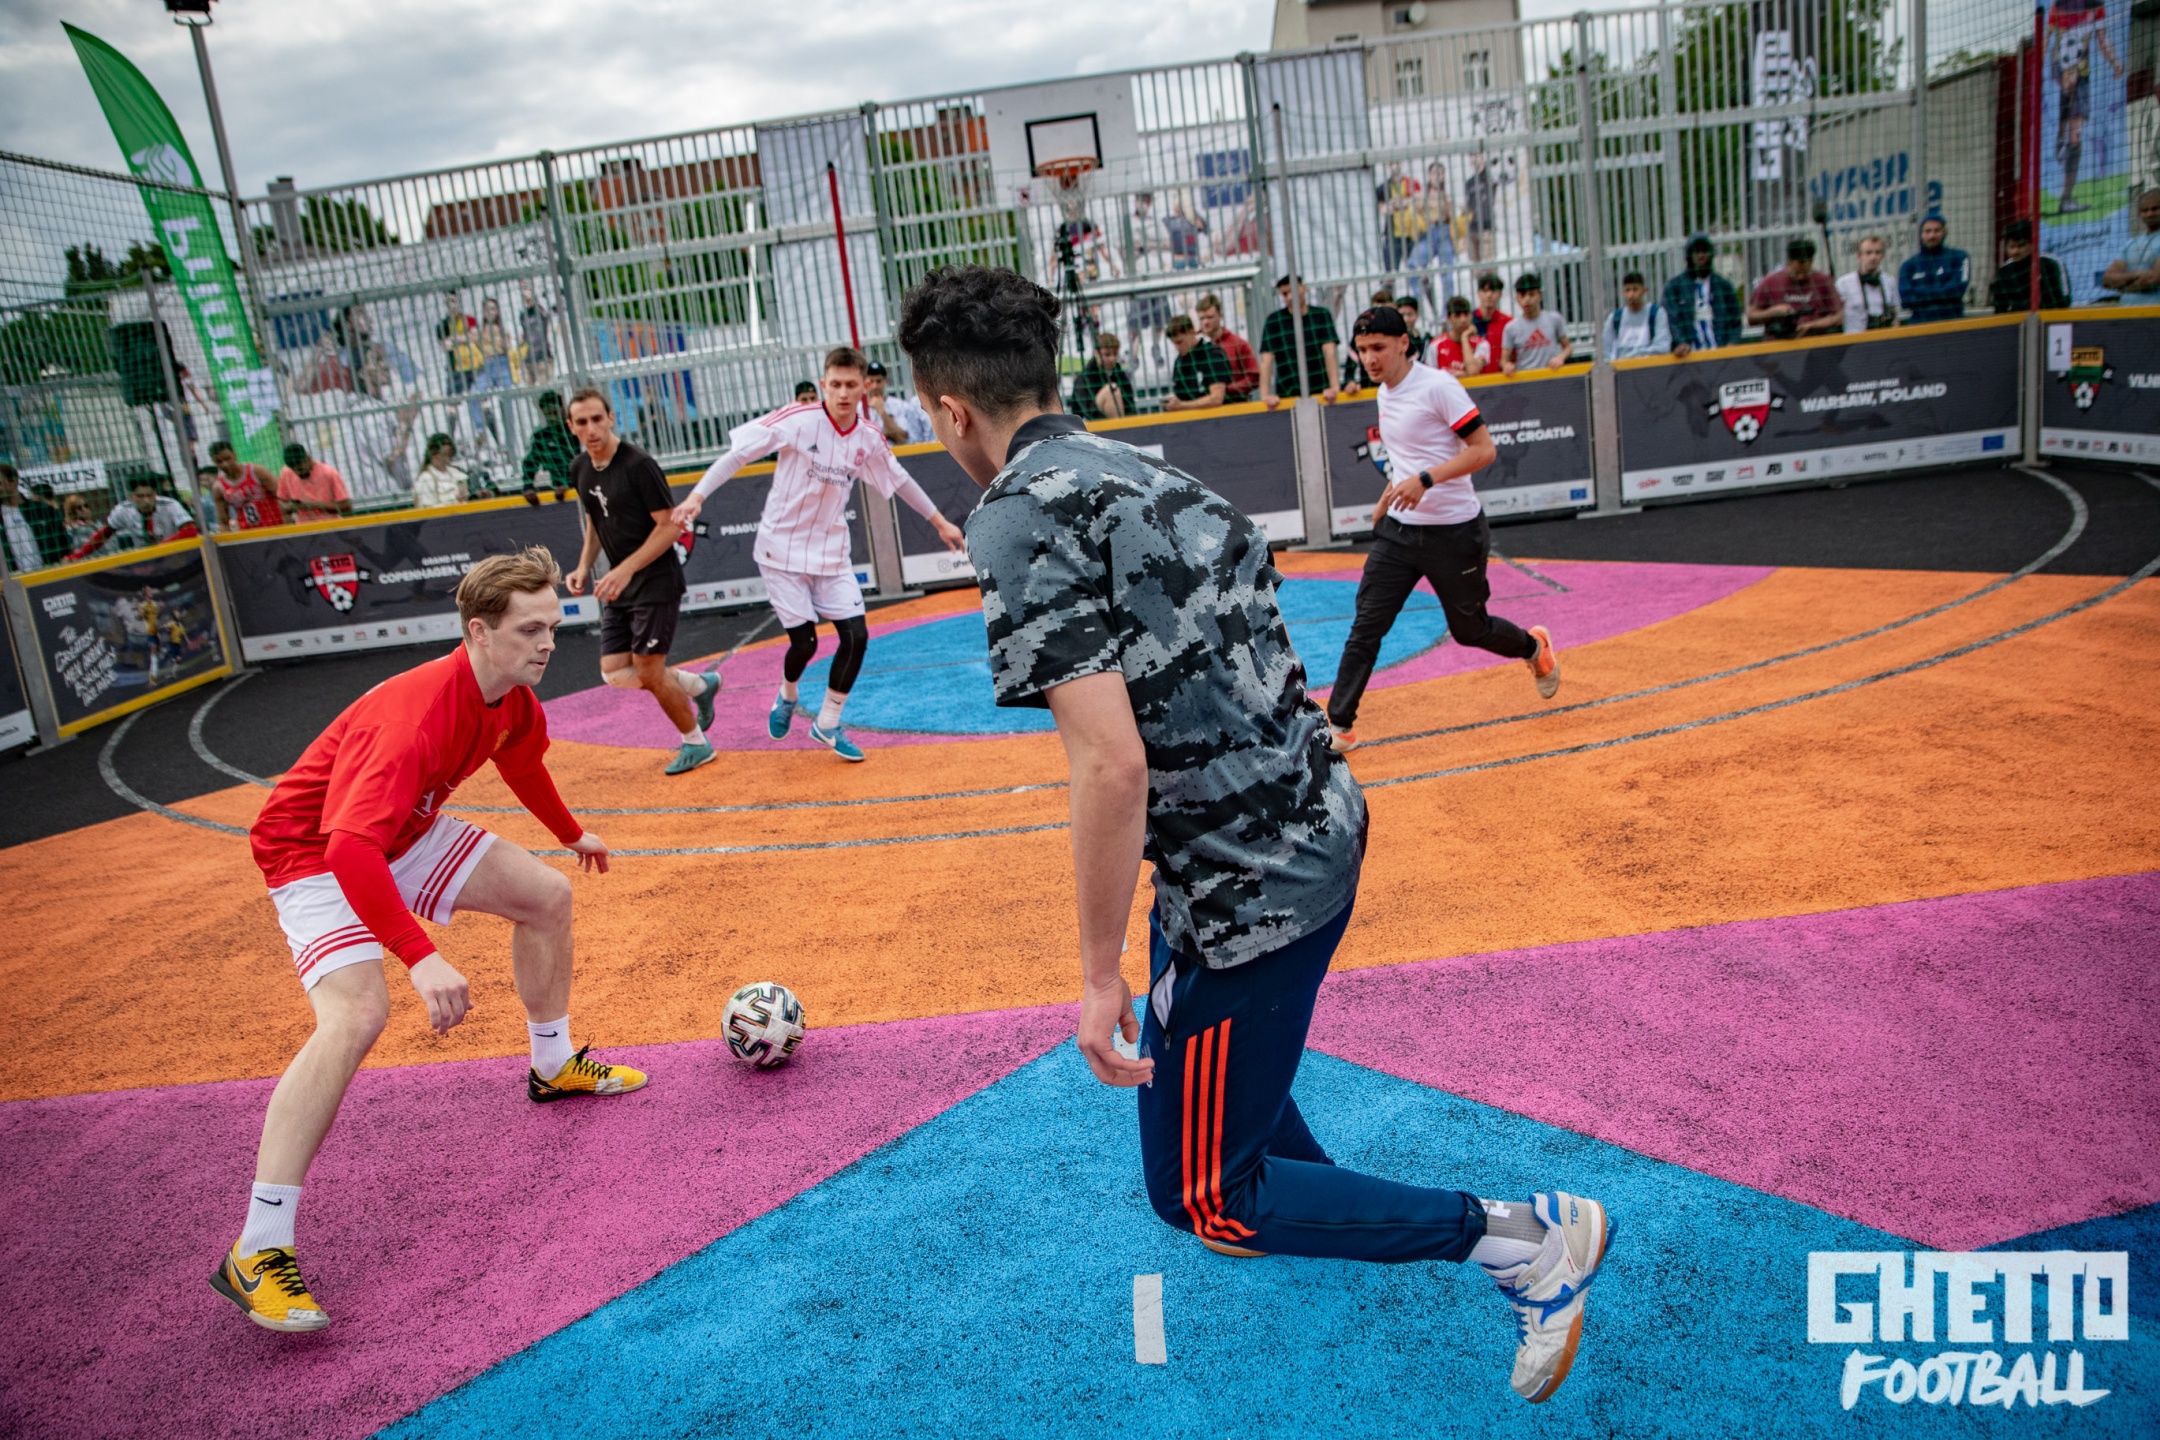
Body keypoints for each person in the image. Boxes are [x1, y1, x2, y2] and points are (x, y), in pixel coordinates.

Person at [896, 264, 1613, 1407]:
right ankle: (1305, 1200)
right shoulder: (1151, 470)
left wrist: (1096, 972)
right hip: (1305, 822)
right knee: (1215, 1121)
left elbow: (1109, 762)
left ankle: (1522, 1241)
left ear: (949, 410)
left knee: (1203, 1196)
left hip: (1250, 884)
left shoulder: (1018, 511)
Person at [215, 548, 641, 1334]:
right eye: (529, 630)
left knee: (547, 895)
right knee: (355, 1016)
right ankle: (258, 1247)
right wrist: (422, 957)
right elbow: (349, 849)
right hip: (315, 849)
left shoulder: (512, 698)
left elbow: (524, 767)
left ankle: (553, 1066)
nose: (548, 644)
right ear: (479, 631)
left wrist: (571, 832)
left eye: (553, 627)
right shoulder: (413, 718)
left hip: (400, 831)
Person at [670, 347, 966, 763]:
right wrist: (697, 496)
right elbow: (738, 455)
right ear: (824, 384)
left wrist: (940, 522)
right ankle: (787, 695)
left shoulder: (867, 437)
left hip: (831, 554)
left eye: (851, 385)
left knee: (856, 636)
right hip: (780, 552)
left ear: (864, 387)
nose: (843, 393)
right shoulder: (797, 420)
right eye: (836, 384)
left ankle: (827, 721)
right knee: (805, 643)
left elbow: (899, 480)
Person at [1327, 304, 1560, 751]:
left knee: (1471, 630)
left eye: (1378, 348)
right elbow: (1409, 457)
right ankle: (1339, 727)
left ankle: (1533, 648)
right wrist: (1389, 495)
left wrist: (1426, 480)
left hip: (1454, 533)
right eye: (1362, 349)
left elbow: (1484, 450)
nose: (1370, 358)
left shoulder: (1438, 387)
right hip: (1399, 533)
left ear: (1403, 343)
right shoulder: (1384, 393)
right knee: (1366, 626)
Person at [562, 388, 721, 776]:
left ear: (611, 418)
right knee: (615, 672)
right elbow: (596, 520)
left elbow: (669, 527)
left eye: (597, 419)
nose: (591, 428)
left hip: (655, 581)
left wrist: (625, 569)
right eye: (582, 422)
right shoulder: (580, 468)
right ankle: (698, 686)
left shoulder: (638, 465)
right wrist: (584, 566)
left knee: (649, 670)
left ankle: (696, 743)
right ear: (571, 427)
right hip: (623, 583)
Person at [2048, 0, 2123, 215]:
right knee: (2070, 82)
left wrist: (2115, 62)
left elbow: (2102, 38)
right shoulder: (2060, 7)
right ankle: (2061, 137)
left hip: (2082, 72)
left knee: (2076, 134)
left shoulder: (2096, 7)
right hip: (2064, 65)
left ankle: (2066, 198)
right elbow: (2047, 39)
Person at [1258, 274, 1342, 408]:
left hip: (1321, 392)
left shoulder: (1321, 315)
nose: (1290, 297)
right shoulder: (1274, 321)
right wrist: (1265, 396)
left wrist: (1334, 387)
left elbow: (1330, 352)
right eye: (1285, 294)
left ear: (1303, 288)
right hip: (1287, 396)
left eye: (1293, 291)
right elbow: (1266, 361)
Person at [65, 478, 200, 560]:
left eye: (149, 496)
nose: (146, 501)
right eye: (140, 496)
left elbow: (190, 531)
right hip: (144, 561)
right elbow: (104, 534)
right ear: (132, 496)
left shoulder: (170, 505)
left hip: (173, 557)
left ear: (155, 494)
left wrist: (160, 547)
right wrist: (78, 555)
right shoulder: (123, 510)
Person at [1660, 235, 1743, 356]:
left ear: (1711, 254)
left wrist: (1732, 343)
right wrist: (1680, 343)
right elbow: (1670, 321)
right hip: (1688, 357)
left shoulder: (1723, 286)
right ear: (1689, 256)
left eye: (1704, 251)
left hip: (1721, 354)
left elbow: (1736, 321)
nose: (1701, 256)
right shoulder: (1674, 287)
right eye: (1696, 252)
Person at [1748, 238, 1842, 340]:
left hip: (1814, 341)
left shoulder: (1823, 281)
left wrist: (1811, 325)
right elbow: (1751, 317)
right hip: (1777, 342)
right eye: (1797, 273)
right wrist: (1772, 312)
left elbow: (1838, 316)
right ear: (1788, 263)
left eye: (1805, 272)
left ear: (1811, 262)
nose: (1801, 277)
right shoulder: (1770, 282)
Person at [1897, 217, 1971, 324]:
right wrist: (1942, 291)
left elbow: (1956, 291)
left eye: (1937, 230)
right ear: (1921, 234)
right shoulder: (1908, 266)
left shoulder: (1959, 257)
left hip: (1953, 324)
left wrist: (1919, 291)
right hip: (1919, 327)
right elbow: (1906, 299)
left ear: (1944, 232)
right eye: (1928, 231)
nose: (1932, 235)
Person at [1989, 218, 2072, 312]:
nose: (2015, 251)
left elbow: (2065, 299)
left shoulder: (2051, 263)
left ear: (2032, 243)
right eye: (2011, 246)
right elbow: (1999, 309)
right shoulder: (2004, 272)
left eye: (2021, 245)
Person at [0, 462, 68, 573]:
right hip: (15, 578)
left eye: (0, 484)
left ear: (14, 482)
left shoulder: (42, 510)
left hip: (50, 572)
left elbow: (63, 541)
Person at [1500, 274, 1572, 374]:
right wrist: (1506, 366)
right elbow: (1504, 360)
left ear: (1539, 295)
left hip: (1551, 374)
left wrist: (1560, 357)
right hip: (1525, 378)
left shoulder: (1554, 319)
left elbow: (1568, 347)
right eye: (1522, 295)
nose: (1527, 299)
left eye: (1531, 294)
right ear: (1517, 298)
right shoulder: (1511, 328)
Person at [1195, 294, 1258, 400]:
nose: (1205, 322)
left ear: (1220, 316)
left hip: (1235, 404)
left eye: (1210, 317)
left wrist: (1226, 389)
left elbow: (1254, 377)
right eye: (1202, 318)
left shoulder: (1238, 344)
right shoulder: (1194, 346)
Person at [518, 391, 580, 501]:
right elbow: (530, 463)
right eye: (548, 414)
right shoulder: (542, 438)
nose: (551, 418)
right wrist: (528, 486)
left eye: (554, 413)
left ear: (562, 410)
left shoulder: (576, 432)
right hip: (560, 492)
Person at [1162, 314, 1231, 410]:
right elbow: (1180, 396)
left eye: (1180, 342)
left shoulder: (1213, 355)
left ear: (1192, 332)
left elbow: (1216, 398)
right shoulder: (1179, 361)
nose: (1177, 348)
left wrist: (1182, 405)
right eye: (1174, 343)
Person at [1599, 273, 1672, 359]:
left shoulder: (1656, 314)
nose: (1631, 295)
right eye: (1627, 290)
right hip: (1621, 366)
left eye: (1635, 289)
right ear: (1623, 292)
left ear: (1644, 290)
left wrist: (1633, 356)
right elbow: (1605, 350)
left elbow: (1662, 346)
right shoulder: (1615, 318)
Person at [2102, 187, 2160, 294]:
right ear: (2139, 213)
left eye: (2155, 209)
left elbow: (2154, 279)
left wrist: (2123, 287)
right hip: (2127, 304)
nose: (2149, 214)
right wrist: (2136, 274)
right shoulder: (2131, 244)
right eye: (2145, 210)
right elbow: (2107, 280)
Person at [1836, 236, 1901, 332]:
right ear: (1859, 257)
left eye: (1877, 252)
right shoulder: (1844, 283)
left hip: (1885, 335)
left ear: (1882, 256)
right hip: (1855, 337)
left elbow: (1896, 312)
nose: (1873, 257)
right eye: (1868, 253)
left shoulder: (1889, 281)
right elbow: (1837, 316)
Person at [277, 443, 353, 524]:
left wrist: (314, 505)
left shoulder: (329, 473)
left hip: (330, 525)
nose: (297, 473)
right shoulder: (286, 472)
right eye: (293, 469)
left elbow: (346, 506)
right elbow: (281, 501)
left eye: (300, 469)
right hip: (303, 527)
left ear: (308, 459)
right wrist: (290, 507)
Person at [1070, 332, 1135, 421]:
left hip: (1118, 420)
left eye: (1115, 354)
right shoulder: (1084, 378)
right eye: (1107, 354)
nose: (1112, 359)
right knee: (1111, 390)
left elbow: (1130, 405)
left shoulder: (1119, 373)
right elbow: (1088, 410)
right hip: (1088, 424)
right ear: (1096, 353)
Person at [1428, 295, 1492, 376]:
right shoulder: (1435, 345)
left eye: (1466, 314)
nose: (1463, 320)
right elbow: (1430, 377)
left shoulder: (1482, 344)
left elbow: (1472, 371)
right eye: (1457, 315)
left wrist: (1464, 338)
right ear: (1448, 318)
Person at [412, 433, 468, 509]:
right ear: (435, 455)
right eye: (446, 454)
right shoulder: (425, 479)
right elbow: (427, 509)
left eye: (450, 454)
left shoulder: (457, 473)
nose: (450, 457)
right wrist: (455, 503)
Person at [516, 278, 554, 386]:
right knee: (530, 392)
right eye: (522, 289)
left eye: (526, 288)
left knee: (547, 389)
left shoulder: (541, 309)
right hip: (527, 360)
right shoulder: (522, 314)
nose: (524, 292)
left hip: (543, 358)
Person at [1462, 151, 1496, 264]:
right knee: (1474, 265)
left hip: (1486, 226)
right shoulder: (1469, 183)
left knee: (1488, 263)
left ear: (1482, 156)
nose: (1474, 159)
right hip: (1472, 227)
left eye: (1476, 155)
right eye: (1471, 156)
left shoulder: (1491, 178)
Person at [1469, 273, 1511, 352]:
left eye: (1493, 290)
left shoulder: (1508, 323)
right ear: (1478, 294)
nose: (1489, 295)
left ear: (1500, 294)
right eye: (1485, 291)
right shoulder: (1468, 321)